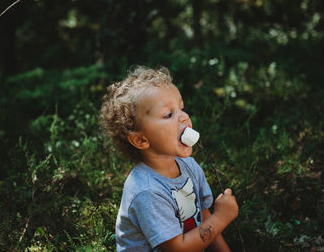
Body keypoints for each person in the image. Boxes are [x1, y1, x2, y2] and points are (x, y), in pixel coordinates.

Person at [99, 65, 238, 252]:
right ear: (140, 139)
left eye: (181, 108)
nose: (183, 117)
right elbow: (177, 249)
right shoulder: (147, 191)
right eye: (168, 114)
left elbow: (204, 218)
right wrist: (222, 217)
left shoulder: (189, 166)